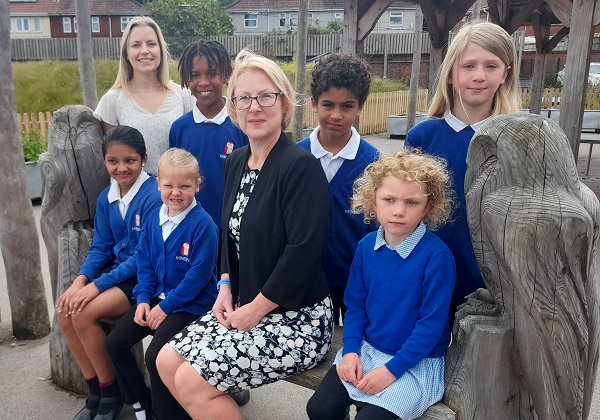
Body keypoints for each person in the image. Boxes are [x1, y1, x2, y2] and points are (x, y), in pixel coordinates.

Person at [155, 49, 333, 420]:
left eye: (266, 96)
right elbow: (227, 236)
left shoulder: (300, 167)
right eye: (244, 98)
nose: (255, 106)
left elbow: (302, 252)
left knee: (190, 381)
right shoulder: (235, 161)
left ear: (284, 104)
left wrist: (255, 308)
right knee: (165, 359)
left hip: (295, 317)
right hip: (245, 305)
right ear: (234, 107)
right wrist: (223, 286)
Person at [306, 150, 456, 420]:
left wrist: (391, 371)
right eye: (389, 199)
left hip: (413, 363)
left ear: (428, 206)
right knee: (319, 408)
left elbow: (430, 326)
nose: (399, 210)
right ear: (372, 200)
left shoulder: (437, 257)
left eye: (412, 202)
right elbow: (356, 306)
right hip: (367, 349)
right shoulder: (366, 247)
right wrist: (351, 351)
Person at [404, 21, 519, 316]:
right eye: (468, 66)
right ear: (452, 73)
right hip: (427, 276)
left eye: (491, 66)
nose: (479, 76)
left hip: (493, 282)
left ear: (506, 73)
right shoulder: (423, 136)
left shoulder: (517, 139)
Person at [56, 126, 162, 420]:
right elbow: (101, 248)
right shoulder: (107, 197)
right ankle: (96, 392)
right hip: (118, 274)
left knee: (82, 313)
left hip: (145, 278)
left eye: (130, 160)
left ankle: (111, 393)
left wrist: (95, 287)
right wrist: (80, 282)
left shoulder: (153, 195)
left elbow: (144, 256)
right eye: (113, 161)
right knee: (66, 310)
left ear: (144, 159)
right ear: (104, 162)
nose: (121, 168)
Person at [105, 148, 218, 420]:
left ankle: (168, 414)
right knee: (115, 344)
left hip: (190, 305)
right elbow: (144, 261)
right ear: (158, 183)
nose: (175, 192)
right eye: (168, 185)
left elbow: (198, 277)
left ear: (197, 186)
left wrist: (165, 307)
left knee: (156, 357)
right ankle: (142, 403)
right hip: (156, 298)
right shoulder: (154, 218)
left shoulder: (204, 225)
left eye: (185, 186)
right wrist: (143, 298)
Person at [297, 53, 378, 326]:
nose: (336, 115)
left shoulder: (374, 164)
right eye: (327, 104)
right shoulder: (294, 159)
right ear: (313, 104)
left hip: (358, 281)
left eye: (347, 106)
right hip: (306, 281)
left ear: (360, 107)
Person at [94, 16, 193, 176]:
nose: (144, 51)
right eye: (136, 45)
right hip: (134, 197)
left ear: (160, 49)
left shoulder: (183, 96)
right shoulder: (112, 101)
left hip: (176, 195)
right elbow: (111, 156)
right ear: (126, 53)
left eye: (151, 44)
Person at [169, 40, 248, 232]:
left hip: (235, 230)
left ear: (226, 76)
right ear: (187, 80)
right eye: (195, 75)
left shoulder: (242, 124)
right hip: (191, 229)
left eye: (212, 74)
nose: (203, 82)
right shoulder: (179, 129)